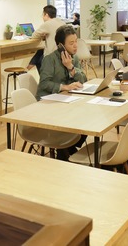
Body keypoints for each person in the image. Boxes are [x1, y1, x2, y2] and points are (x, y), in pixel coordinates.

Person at [36, 25, 87, 160]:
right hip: (47, 104)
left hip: (65, 102)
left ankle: (69, 149)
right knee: (67, 121)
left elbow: (83, 79)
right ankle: (65, 154)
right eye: (71, 43)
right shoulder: (49, 59)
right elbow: (44, 84)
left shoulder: (74, 58)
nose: (75, 46)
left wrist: (70, 67)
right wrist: (65, 87)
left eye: (76, 41)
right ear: (61, 46)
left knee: (86, 118)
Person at [27, 5, 64, 73]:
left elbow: (34, 35)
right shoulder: (62, 22)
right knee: (39, 53)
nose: (42, 17)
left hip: (52, 55)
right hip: (62, 53)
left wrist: (42, 35)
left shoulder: (47, 24)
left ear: (46, 15)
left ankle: (28, 70)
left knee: (38, 58)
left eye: (43, 15)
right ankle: (28, 69)